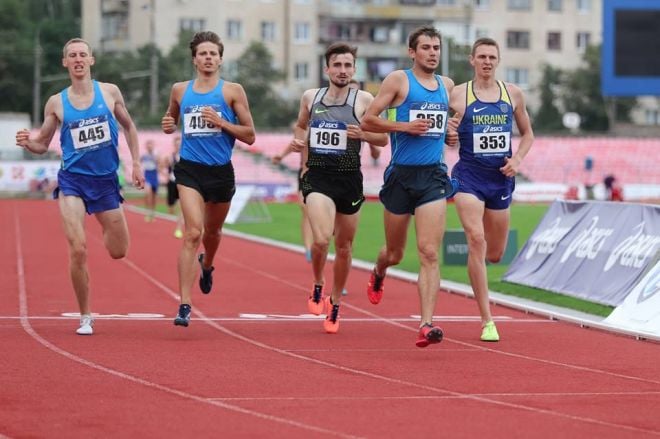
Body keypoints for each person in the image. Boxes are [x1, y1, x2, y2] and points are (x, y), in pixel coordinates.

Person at [15, 38, 145, 335]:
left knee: (118, 250)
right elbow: (42, 144)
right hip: (72, 181)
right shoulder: (57, 102)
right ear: (65, 62)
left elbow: (129, 126)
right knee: (78, 248)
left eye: (82, 55)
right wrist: (28, 142)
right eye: (72, 55)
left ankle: (103, 218)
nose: (77, 59)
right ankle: (85, 315)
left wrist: (136, 162)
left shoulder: (110, 92)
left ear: (91, 60)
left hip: (105, 181)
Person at [360, 26, 458, 348]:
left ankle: (426, 324)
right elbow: (369, 121)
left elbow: (444, 127)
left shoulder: (446, 85)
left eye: (437, 48)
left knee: (429, 252)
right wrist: (404, 126)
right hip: (401, 176)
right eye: (426, 47)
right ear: (412, 52)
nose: (433, 53)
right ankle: (379, 270)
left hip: (433, 177)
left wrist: (450, 134)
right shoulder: (398, 81)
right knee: (396, 253)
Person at [290, 42, 388, 333]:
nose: (343, 71)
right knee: (321, 240)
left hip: (349, 179)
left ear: (354, 69)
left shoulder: (364, 100)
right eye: (338, 65)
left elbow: (383, 139)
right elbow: (300, 126)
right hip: (318, 177)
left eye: (348, 66)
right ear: (327, 69)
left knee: (344, 247)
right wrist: (300, 141)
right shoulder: (311, 97)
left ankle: (334, 304)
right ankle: (318, 282)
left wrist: (365, 135)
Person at [161, 31, 256, 327]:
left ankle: (208, 264)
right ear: (194, 59)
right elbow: (171, 119)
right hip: (190, 169)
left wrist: (222, 122)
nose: (208, 58)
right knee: (192, 233)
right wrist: (167, 124)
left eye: (213, 54)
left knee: (212, 234)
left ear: (221, 59)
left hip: (220, 172)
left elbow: (250, 135)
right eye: (203, 53)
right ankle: (185, 304)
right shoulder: (179, 90)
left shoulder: (232, 91)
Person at [448, 37, 534, 342]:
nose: (487, 61)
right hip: (468, 176)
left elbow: (527, 134)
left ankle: (484, 271)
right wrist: (449, 135)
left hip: (500, 179)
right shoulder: (458, 95)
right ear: (472, 60)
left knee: (495, 254)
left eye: (492, 57)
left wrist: (518, 159)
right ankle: (487, 320)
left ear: (498, 60)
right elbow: (444, 133)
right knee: (476, 239)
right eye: (481, 56)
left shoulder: (513, 94)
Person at [271, 137, 313, 262]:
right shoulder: (307, 124)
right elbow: (298, 140)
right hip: (306, 174)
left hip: (327, 174)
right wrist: (281, 155)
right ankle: (309, 248)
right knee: (306, 212)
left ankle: (321, 240)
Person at [163, 135, 184, 237]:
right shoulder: (170, 157)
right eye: (177, 144)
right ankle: (174, 212)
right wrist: (166, 176)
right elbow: (160, 167)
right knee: (171, 207)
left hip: (183, 183)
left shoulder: (186, 156)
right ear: (174, 145)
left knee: (181, 205)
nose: (178, 146)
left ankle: (179, 228)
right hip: (171, 182)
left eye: (180, 144)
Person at [140, 139, 159, 222]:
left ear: (153, 146)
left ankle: (153, 214)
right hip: (147, 175)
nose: (149, 146)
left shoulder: (156, 155)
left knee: (154, 197)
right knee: (148, 193)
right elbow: (139, 162)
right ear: (146, 146)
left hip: (154, 175)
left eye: (151, 145)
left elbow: (160, 164)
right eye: (148, 145)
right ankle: (147, 213)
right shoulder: (144, 155)